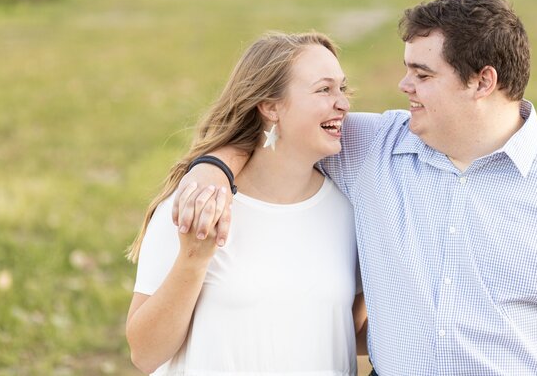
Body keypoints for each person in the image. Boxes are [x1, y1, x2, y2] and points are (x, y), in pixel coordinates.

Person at [179, 0, 537, 375]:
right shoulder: (373, 149)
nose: (403, 86)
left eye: (422, 73)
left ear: (483, 81)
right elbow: (280, 127)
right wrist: (212, 168)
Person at [125, 32, 366, 375]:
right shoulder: (198, 204)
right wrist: (193, 259)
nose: (342, 103)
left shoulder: (347, 212)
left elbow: (348, 330)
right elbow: (144, 354)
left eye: (343, 88)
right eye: (324, 89)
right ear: (270, 107)